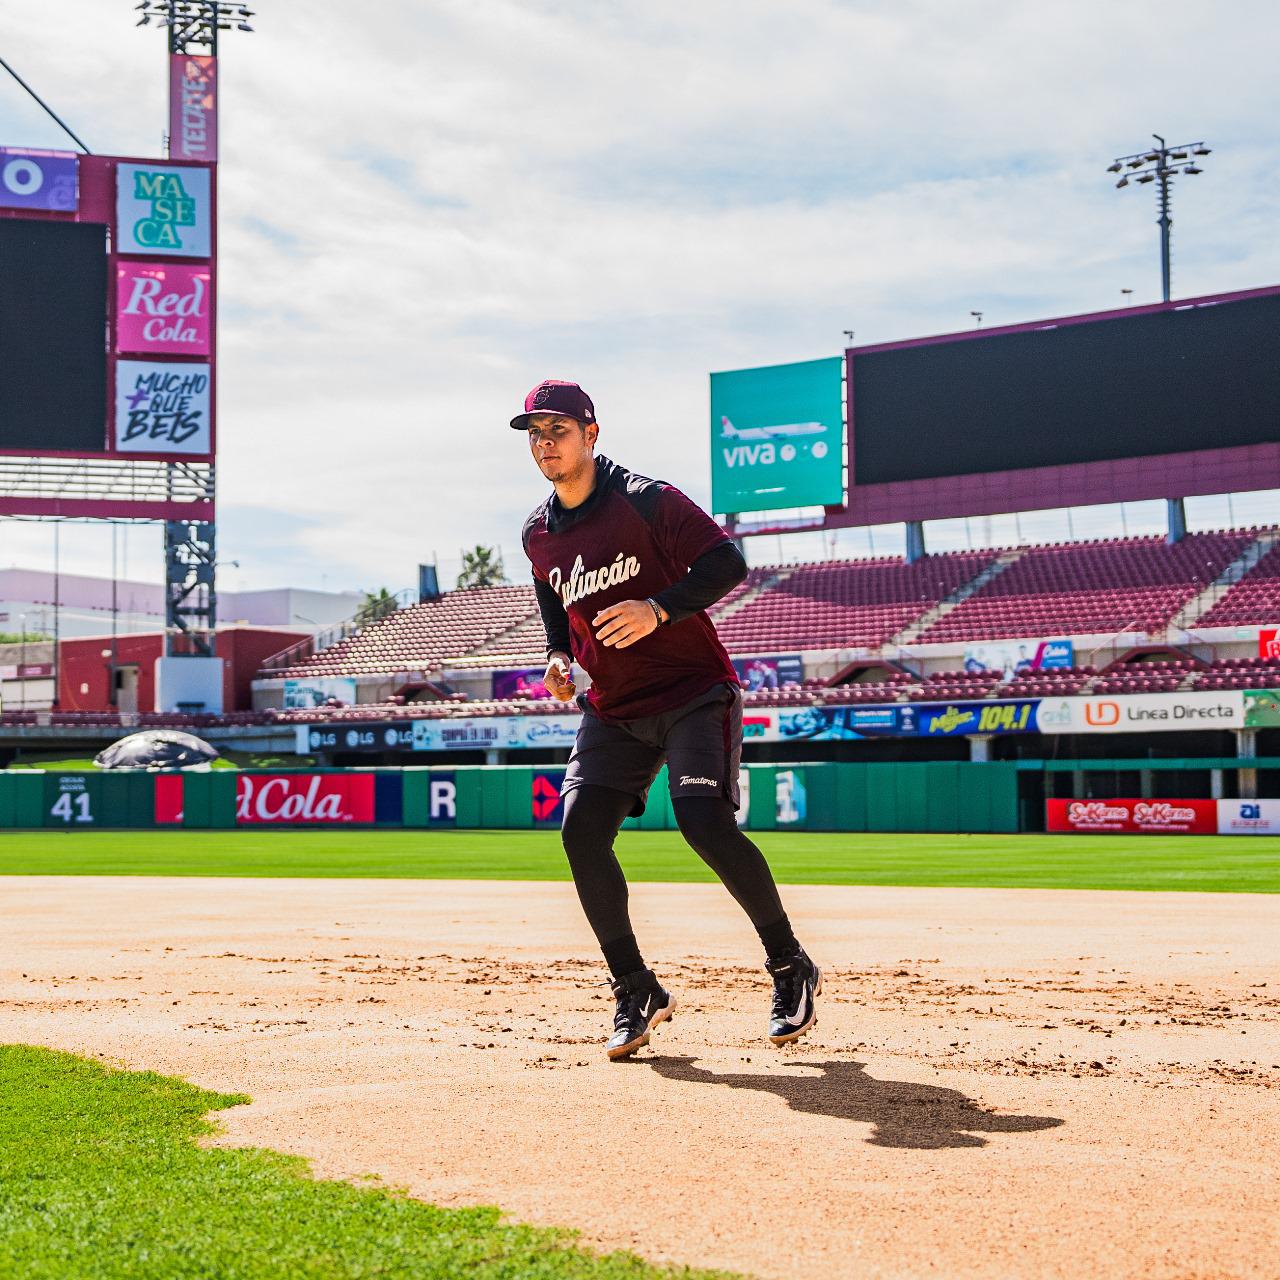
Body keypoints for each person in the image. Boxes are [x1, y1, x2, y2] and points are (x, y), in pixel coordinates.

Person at [514, 378, 821, 1060]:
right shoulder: (538, 532)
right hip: (615, 707)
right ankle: (635, 989)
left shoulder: (647, 499)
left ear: (591, 435)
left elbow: (726, 561)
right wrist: (558, 654)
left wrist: (659, 607)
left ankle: (788, 964)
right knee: (579, 831)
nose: (545, 445)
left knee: (701, 820)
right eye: (534, 434)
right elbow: (549, 597)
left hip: (691, 691)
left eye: (557, 431)